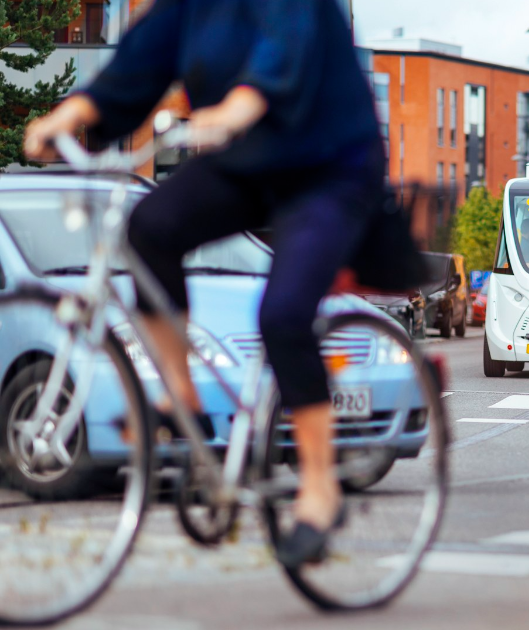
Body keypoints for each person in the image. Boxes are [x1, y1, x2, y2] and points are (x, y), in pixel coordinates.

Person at [24, 0, 383, 567]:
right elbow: (141, 59)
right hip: (250, 163)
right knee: (149, 228)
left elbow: (284, 42)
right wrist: (74, 112)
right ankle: (180, 398)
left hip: (327, 169)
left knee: (284, 314)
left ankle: (320, 489)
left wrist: (242, 104)